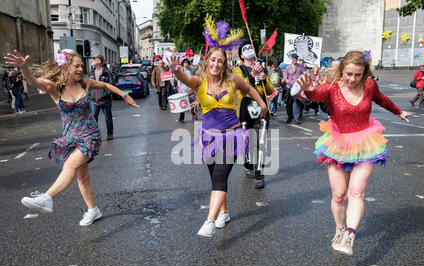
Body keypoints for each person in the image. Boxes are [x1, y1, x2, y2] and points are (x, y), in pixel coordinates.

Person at [4, 49, 139, 226]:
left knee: (69, 165)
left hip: (90, 135)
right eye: (76, 65)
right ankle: (93, 210)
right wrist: (24, 68)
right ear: (66, 67)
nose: (80, 69)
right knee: (81, 177)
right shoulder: (55, 87)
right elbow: (34, 82)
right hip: (70, 138)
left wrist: (125, 95)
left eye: (81, 66)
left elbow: (106, 86)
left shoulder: (85, 84)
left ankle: (47, 198)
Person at [298, 50, 411, 255]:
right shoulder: (331, 87)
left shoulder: (369, 86)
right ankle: (340, 229)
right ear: (342, 71)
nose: (352, 79)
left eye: (357, 75)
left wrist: (399, 111)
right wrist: (307, 91)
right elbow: (315, 95)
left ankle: (350, 235)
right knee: (339, 195)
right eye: (348, 74)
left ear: (365, 73)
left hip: (366, 143)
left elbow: (382, 99)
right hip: (337, 144)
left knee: (356, 192)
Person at [168, 45, 268, 237]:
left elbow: (248, 88)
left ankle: (209, 221)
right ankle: (224, 212)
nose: (216, 64)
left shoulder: (232, 80)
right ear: (207, 62)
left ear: (224, 64)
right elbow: (186, 79)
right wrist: (176, 70)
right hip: (209, 138)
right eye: (213, 60)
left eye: (220, 61)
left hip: (231, 136)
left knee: (220, 177)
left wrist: (263, 104)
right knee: (216, 179)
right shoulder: (199, 82)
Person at [233, 40, 274, 189]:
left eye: (251, 48)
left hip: (262, 109)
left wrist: (264, 78)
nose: (249, 51)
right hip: (245, 110)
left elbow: (269, 90)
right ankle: (247, 163)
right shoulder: (237, 71)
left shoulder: (262, 67)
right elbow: (242, 89)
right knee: (246, 142)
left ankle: (259, 173)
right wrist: (252, 75)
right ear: (242, 55)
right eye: (246, 49)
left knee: (261, 142)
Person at [89, 54, 114, 140]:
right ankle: (94, 136)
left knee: (108, 118)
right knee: (93, 119)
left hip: (105, 100)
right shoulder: (91, 72)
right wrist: (89, 93)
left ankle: (110, 134)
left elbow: (110, 86)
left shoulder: (107, 73)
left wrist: (104, 94)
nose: (92, 60)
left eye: (94, 59)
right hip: (94, 100)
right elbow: (88, 84)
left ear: (99, 61)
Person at [283, 53, 306, 124]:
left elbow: (305, 73)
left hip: (297, 88)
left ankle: (296, 118)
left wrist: (303, 75)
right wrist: (287, 81)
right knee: (288, 103)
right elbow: (285, 78)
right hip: (290, 87)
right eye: (294, 58)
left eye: (296, 58)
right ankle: (290, 117)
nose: (295, 59)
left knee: (297, 103)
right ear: (292, 59)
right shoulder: (288, 67)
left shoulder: (300, 66)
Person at [177, 58, 198, 122]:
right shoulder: (181, 71)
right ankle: (181, 117)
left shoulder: (192, 71)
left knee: (192, 105)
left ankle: (194, 117)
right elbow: (179, 80)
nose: (186, 63)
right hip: (183, 91)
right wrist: (179, 89)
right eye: (185, 62)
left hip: (190, 90)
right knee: (182, 105)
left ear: (188, 64)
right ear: (183, 64)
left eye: (187, 62)